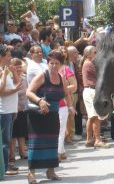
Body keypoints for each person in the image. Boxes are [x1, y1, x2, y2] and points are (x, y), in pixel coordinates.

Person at [26, 50, 70, 183]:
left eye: (57, 63)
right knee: (36, 144)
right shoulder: (42, 76)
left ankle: (50, 171)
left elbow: (67, 93)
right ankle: (31, 173)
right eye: (51, 63)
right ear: (48, 63)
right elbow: (29, 92)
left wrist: (71, 107)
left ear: (61, 65)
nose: (54, 66)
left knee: (52, 143)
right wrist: (40, 101)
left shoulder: (61, 78)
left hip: (53, 115)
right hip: (38, 116)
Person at [81, 45, 109, 148]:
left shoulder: (89, 62)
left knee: (92, 117)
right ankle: (96, 139)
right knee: (95, 116)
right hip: (91, 91)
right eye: (95, 52)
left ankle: (90, 139)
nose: (97, 54)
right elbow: (101, 74)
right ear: (88, 54)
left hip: (91, 91)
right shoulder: (89, 63)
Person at [0, 45, 21, 175]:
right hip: (4, 111)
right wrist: (5, 75)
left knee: (7, 140)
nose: (10, 58)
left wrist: (13, 72)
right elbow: (1, 91)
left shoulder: (6, 69)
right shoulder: (1, 71)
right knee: (5, 141)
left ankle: (6, 164)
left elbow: (18, 84)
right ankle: (5, 167)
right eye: (8, 56)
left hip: (11, 110)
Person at [58, 46, 76, 159]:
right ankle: (62, 151)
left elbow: (74, 86)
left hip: (64, 101)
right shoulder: (45, 70)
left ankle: (59, 152)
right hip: (50, 103)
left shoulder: (66, 69)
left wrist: (61, 89)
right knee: (58, 128)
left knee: (61, 126)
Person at [8, 58, 28, 164]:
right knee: (13, 134)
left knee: (22, 132)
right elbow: (15, 92)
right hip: (13, 109)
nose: (19, 68)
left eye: (20, 66)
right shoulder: (9, 79)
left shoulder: (24, 78)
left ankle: (22, 152)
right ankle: (11, 155)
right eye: (16, 66)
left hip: (23, 108)